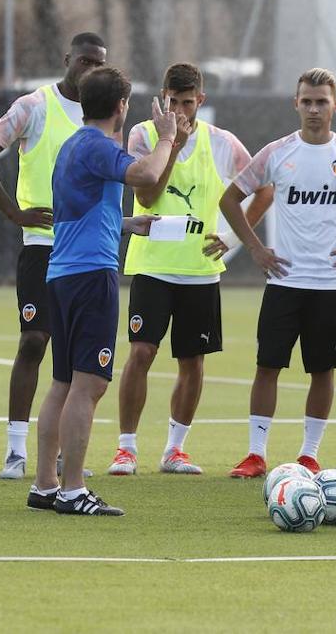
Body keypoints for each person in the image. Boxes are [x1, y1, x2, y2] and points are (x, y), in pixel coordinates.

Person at [220, 68, 336, 478]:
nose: (314, 109)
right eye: (306, 101)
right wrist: (254, 247)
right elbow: (230, 199)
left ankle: (309, 454)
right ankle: (255, 454)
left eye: (322, 101)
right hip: (284, 280)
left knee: (322, 370)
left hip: (332, 282)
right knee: (267, 366)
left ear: (335, 106)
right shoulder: (276, 153)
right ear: (296, 103)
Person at [26, 66, 173, 516]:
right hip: (92, 276)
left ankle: (45, 485)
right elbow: (147, 176)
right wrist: (167, 137)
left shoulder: (71, 145)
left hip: (63, 272)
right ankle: (73, 491)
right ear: (121, 106)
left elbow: (79, 210)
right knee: (89, 386)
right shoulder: (98, 146)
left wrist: (126, 224)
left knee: (63, 382)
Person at [109, 62, 267, 476]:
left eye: (187, 102)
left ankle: (175, 449)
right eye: (172, 101)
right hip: (154, 264)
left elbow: (262, 187)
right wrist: (173, 146)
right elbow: (145, 197)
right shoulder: (144, 134)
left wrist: (233, 240)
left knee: (193, 360)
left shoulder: (223, 143)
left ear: (201, 100)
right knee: (141, 351)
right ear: (163, 97)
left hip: (200, 269)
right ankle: (126, 448)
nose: (178, 111)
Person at [0, 32, 108, 479]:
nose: (88, 70)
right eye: (83, 61)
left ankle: (62, 452)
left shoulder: (102, 118)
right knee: (34, 341)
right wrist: (13, 212)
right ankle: (14, 449)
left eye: (97, 65)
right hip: (42, 247)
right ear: (67, 59)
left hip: (84, 251)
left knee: (73, 358)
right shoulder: (34, 105)